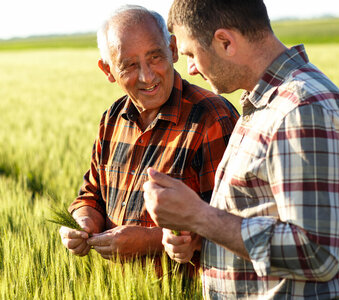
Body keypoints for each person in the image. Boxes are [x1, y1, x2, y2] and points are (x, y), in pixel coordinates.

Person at [143, 0, 339, 298]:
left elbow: (317, 253)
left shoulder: (302, 109)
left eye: (192, 54)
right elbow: (261, 212)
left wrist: (200, 217)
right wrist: (202, 235)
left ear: (225, 42)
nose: (190, 69)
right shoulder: (264, 103)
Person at [59, 4, 239, 272]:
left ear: (173, 49)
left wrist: (149, 241)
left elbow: (234, 225)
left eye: (155, 57)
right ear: (107, 70)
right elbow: (92, 194)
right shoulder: (112, 118)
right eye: (129, 65)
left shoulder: (212, 118)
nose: (147, 76)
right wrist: (83, 223)